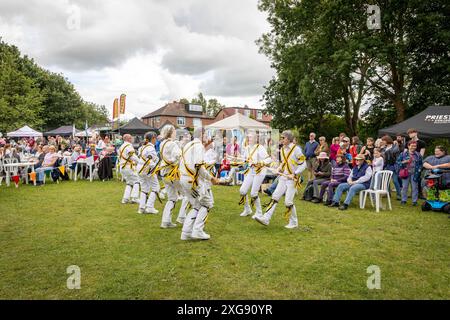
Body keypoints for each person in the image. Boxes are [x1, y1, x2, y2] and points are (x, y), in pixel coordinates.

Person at [254, 130, 306, 229]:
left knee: (288, 202)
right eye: (281, 137)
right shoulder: (282, 149)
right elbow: (283, 163)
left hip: (293, 179)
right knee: (275, 196)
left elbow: (303, 164)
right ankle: (266, 218)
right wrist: (278, 169)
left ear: (289, 139)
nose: (281, 139)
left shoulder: (296, 149)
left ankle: (294, 222)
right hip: (283, 177)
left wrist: (294, 173)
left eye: (283, 138)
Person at [179, 128, 219, 240]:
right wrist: (211, 178)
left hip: (184, 179)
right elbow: (199, 166)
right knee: (207, 203)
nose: (207, 137)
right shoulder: (199, 146)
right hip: (193, 181)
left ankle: (186, 232)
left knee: (196, 205)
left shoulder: (188, 145)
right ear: (201, 135)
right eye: (206, 134)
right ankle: (198, 230)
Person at [237, 131, 272, 219]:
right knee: (242, 190)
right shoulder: (247, 148)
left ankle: (259, 213)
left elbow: (269, 159)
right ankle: (247, 209)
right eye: (248, 137)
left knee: (253, 193)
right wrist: (237, 159)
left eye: (251, 137)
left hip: (260, 171)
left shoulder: (260, 147)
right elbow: (245, 159)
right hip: (251, 171)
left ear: (256, 139)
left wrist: (260, 162)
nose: (249, 139)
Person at [159, 124, 187, 228]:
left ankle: (165, 221)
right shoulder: (172, 144)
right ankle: (182, 217)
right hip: (172, 173)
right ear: (171, 132)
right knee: (188, 194)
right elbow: (178, 156)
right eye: (174, 130)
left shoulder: (162, 143)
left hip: (164, 173)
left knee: (172, 197)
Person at [136, 131, 160, 215]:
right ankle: (149, 207)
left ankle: (141, 208)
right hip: (147, 169)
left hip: (140, 168)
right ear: (153, 138)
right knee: (156, 187)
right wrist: (156, 168)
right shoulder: (150, 148)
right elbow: (150, 160)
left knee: (144, 188)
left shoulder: (142, 147)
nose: (156, 140)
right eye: (155, 138)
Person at [397, 141, 423, 206]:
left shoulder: (418, 154)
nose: (413, 147)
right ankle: (403, 200)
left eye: (415, 146)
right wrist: (404, 162)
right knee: (404, 187)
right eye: (412, 146)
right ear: (408, 146)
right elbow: (397, 162)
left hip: (415, 173)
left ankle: (414, 201)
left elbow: (421, 163)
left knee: (415, 187)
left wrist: (419, 170)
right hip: (405, 173)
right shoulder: (403, 154)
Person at [118, 134, 140, 204]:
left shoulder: (121, 146)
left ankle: (125, 198)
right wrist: (140, 162)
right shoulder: (128, 146)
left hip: (122, 166)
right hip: (128, 166)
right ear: (128, 139)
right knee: (137, 180)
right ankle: (134, 198)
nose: (132, 139)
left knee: (129, 182)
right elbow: (132, 156)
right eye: (131, 138)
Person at [382, 135, 402, 200]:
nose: (383, 142)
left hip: (393, 166)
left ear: (387, 140)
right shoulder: (384, 148)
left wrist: (396, 167)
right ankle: (387, 194)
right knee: (386, 181)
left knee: (395, 180)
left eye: (383, 141)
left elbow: (398, 159)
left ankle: (399, 194)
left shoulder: (395, 148)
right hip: (386, 166)